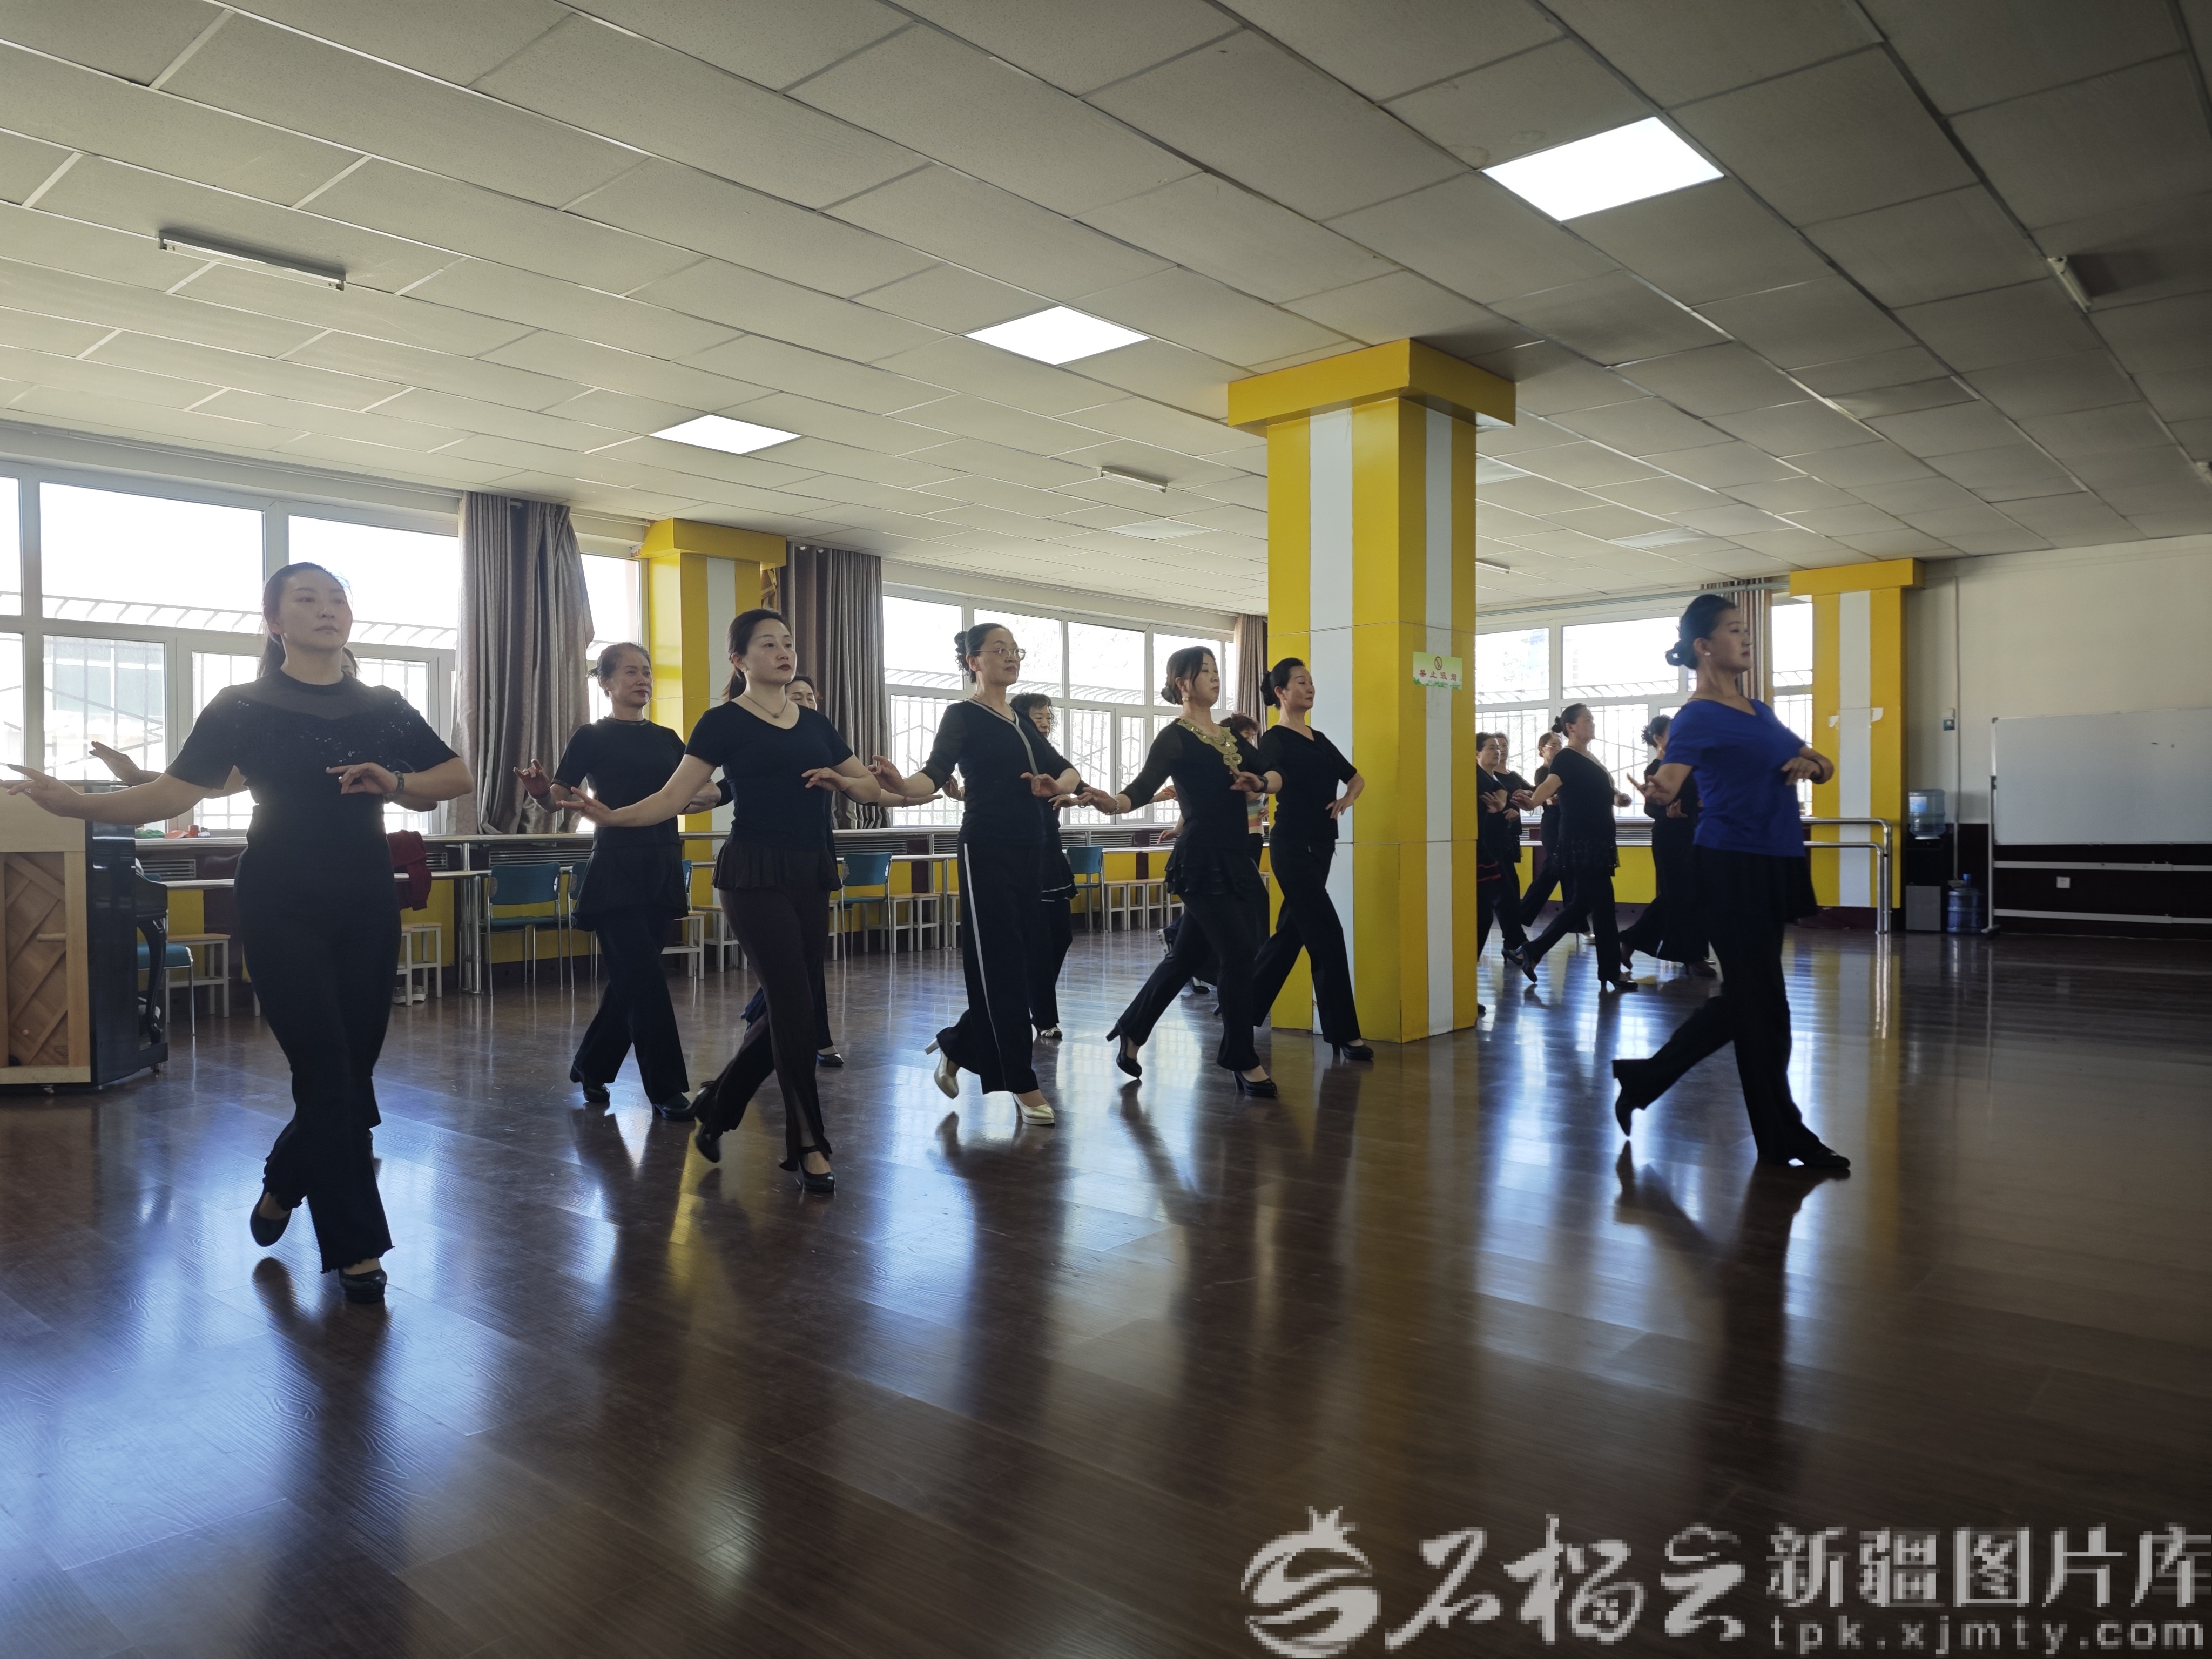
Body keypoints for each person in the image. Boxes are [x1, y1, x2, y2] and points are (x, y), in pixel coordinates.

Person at [6, 563, 473, 1301]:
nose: (327, 609)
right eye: (306, 599)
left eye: (338, 598)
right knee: (325, 1069)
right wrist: (78, 806)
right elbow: (171, 794)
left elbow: (457, 777)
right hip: (280, 900)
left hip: (365, 898)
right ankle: (358, 1248)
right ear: (275, 622)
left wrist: (398, 782)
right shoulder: (241, 706)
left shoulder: (383, 706)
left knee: (352, 1072)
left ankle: (285, 1180)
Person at [574, 610, 897, 1195]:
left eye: (788, 642)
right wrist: (612, 817)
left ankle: (720, 1102)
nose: (784, 651)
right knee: (793, 1003)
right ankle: (808, 1142)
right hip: (752, 873)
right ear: (740, 659)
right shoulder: (721, 722)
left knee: (791, 1004)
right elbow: (672, 797)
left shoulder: (816, 723)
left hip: (809, 871)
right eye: (768, 644)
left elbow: (871, 789)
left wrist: (844, 781)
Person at [1613, 594, 1849, 1172]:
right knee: (1764, 1006)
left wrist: (1812, 765)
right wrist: (1658, 792)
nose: (1747, 639)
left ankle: (1645, 1078)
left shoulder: (1757, 710)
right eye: (1735, 630)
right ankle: (1782, 1137)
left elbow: (1821, 761)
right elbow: (1670, 780)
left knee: (1751, 1002)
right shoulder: (1695, 717)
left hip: (1774, 860)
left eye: (1747, 629)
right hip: (1729, 864)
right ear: (1703, 646)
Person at [868, 625, 1081, 1127]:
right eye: (999, 650)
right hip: (986, 849)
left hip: (1033, 852)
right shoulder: (962, 715)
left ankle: (959, 1045)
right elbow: (933, 774)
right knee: (998, 965)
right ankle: (1021, 1081)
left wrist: (1057, 785)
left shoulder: (1021, 721)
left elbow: (1070, 771)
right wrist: (900, 785)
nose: (1011, 657)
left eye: (1015, 650)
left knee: (1024, 963)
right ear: (973, 662)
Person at [515, 643, 726, 1119]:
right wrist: (541, 794)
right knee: (646, 982)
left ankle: (591, 1064)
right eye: (631, 672)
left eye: (646, 672)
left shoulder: (669, 739)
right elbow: (559, 798)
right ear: (606, 682)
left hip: (663, 864)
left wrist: (714, 793)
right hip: (616, 869)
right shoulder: (591, 736)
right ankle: (666, 1089)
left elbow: (699, 794)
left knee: (632, 980)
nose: (642, 679)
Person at [1080, 646, 1282, 1097]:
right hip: (1201, 861)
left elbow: (1274, 772)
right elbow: (1140, 788)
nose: (1215, 677)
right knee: (1238, 951)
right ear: (1182, 684)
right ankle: (1241, 1056)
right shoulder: (1174, 737)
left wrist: (1261, 782)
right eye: (1205, 671)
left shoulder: (1230, 737)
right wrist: (1112, 804)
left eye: (1216, 669)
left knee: (1186, 956)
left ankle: (1133, 1028)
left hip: (1237, 859)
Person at [1249, 658, 1370, 1061]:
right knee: (1328, 934)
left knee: (1292, 934)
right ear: (1281, 692)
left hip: (1321, 845)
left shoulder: (1318, 739)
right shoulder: (1274, 739)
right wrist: (1261, 783)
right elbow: (1268, 779)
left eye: (1311, 682)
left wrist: (1346, 799)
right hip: (1292, 846)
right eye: (1301, 682)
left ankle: (1242, 1005)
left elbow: (1356, 778)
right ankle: (1345, 1033)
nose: (1309, 687)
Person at [738, 673, 842, 1068]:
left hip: (815, 856)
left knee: (808, 960)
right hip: (769, 863)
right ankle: (808, 1036)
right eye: (796, 697)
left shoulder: (821, 743)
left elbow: (864, 786)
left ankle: (800, 1031)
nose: (806, 703)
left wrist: (904, 796)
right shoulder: (766, 746)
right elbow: (727, 788)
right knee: (794, 966)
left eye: (810, 697)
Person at [1515, 704, 1635, 994]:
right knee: (1603, 905)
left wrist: (1618, 798)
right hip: (1582, 842)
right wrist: (1532, 802)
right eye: (1587, 720)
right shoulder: (1566, 757)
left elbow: (1600, 791)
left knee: (1583, 904)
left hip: (1597, 839)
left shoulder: (1589, 757)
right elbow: (1551, 784)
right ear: (1571, 727)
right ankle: (1610, 971)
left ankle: (1533, 951)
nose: (1593, 723)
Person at [1617, 713, 1712, 978]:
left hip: (1694, 833)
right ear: (1659, 739)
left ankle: (1635, 940)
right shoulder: (1656, 768)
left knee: (1690, 894)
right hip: (1670, 836)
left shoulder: (1687, 763)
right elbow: (1651, 807)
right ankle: (1691, 955)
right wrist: (1668, 813)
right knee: (1678, 894)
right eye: (1674, 732)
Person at [1010, 691, 1077, 1042]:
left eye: (1049, 717)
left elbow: (1074, 778)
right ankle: (1045, 1016)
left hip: (1051, 851)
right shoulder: (1013, 754)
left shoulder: (1049, 755)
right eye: (1039, 717)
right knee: (1036, 943)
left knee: (1062, 936)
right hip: (1024, 855)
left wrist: (1071, 793)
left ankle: (1026, 1000)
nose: (1046, 722)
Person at [1474, 733, 1527, 989]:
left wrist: (1507, 806)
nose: (1497, 751)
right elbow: (1486, 812)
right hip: (1485, 852)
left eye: (1499, 747)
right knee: (1494, 906)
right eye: (1491, 748)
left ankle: (1515, 944)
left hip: (1496, 849)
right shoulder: (1477, 778)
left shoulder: (1494, 779)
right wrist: (1502, 808)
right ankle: (1516, 944)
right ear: (1477, 754)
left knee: (1505, 899)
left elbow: (1503, 793)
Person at [1518, 730, 1568, 930]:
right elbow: (1548, 797)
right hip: (1552, 823)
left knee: (1565, 869)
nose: (1557, 749)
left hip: (1566, 822)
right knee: (1555, 867)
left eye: (1559, 745)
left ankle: (1577, 922)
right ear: (1542, 750)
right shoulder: (1543, 772)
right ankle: (1522, 913)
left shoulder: (1565, 771)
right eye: (1553, 745)